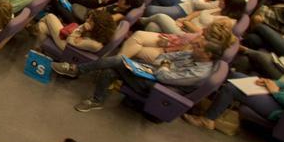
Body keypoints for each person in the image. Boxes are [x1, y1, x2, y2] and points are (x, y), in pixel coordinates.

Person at [53, 37, 227, 113]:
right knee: (110, 69)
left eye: (199, 47)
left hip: (158, 89)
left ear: (208, 55)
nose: (194, 47)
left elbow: (164, 78)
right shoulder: (193, 55)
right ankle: (97, 100)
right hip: (153, 74)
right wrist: (165, 65)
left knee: (119, 60)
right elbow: (164, 56)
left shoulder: (200, 72)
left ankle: (76, 70)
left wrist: (164, 67)